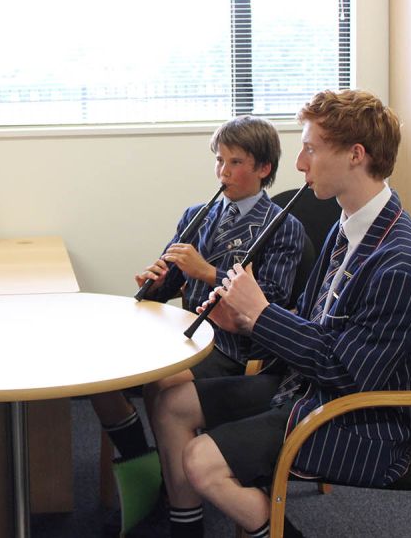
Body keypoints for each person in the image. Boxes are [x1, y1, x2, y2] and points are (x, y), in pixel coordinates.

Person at [153, 90, 411, 538]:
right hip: (307, 388)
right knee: (173, 404)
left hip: (360, 421)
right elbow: (311, 320)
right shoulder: (346, 228)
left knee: (201, 462)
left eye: (310, 148)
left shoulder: (401, 262)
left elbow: (350, 372)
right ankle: (186, 526)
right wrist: (244, 319)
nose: (300, 164)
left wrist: (262, 312)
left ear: (355, 155)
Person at [89, 116, 306, 522]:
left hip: (233, 345)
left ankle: (175, 499)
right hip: (186, 331)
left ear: (264, 169)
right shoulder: (197, 213)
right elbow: (172, 281)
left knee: (163, 382)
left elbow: (268, 305)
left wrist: (207, 271)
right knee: (102, 366)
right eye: (219, 161)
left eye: (235, 162)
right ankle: (144, 456)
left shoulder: (284, 227)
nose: (223, 172)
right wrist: (153, 283)